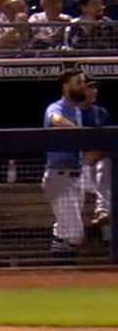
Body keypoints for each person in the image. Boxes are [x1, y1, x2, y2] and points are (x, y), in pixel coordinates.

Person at [44, 69, 88, 261]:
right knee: (75, 234)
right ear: (66, 85)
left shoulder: (77, 110)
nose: (82, 86)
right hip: (59, 175)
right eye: (78, 82)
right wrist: (78, 131)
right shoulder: (56, 107)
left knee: (65, 229)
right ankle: (60, 251)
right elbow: (55, 120)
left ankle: (61, 266)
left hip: (77, 175)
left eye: (83, 82)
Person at [82, 79, 112, 228]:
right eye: (90, 87)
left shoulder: (101, 113)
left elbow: (110, 143)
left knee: (105, 165)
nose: (94, 91)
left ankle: (102, 210)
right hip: (78, 164)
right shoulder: (71, 112)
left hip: (97, 163)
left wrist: (99, 154)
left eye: (95, 87)